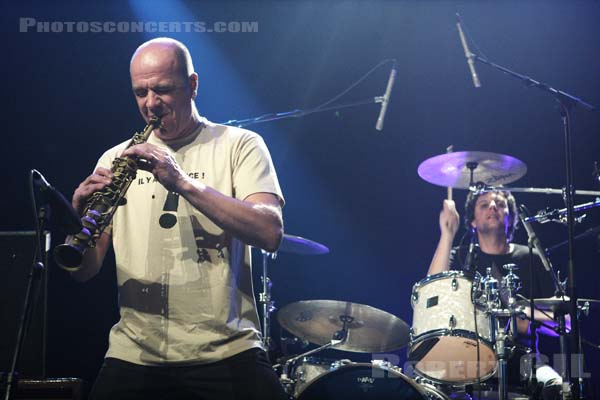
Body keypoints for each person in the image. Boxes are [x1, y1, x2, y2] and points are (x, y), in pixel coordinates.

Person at [66, 37, 288, 399]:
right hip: (134, 353)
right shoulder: (114, 159)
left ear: (193, 85)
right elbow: (85, 270)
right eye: (141, 93)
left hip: (226, 351)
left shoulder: (240, 144)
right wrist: (76, 222)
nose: (151, 104)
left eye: (164, 90)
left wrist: (181, 181)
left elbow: (269, 231)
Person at [427, 188, 563, 400]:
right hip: (467, 361)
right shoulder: (462, 256)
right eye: (484, 204)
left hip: (523, 364)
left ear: (511, 217)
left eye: (500, 204)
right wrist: (447, 234)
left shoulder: (531, 257)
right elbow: (432, 292)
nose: (492, 207)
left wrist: (521, 315)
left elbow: (565, 321)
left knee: (558, 387)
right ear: (472, 221)